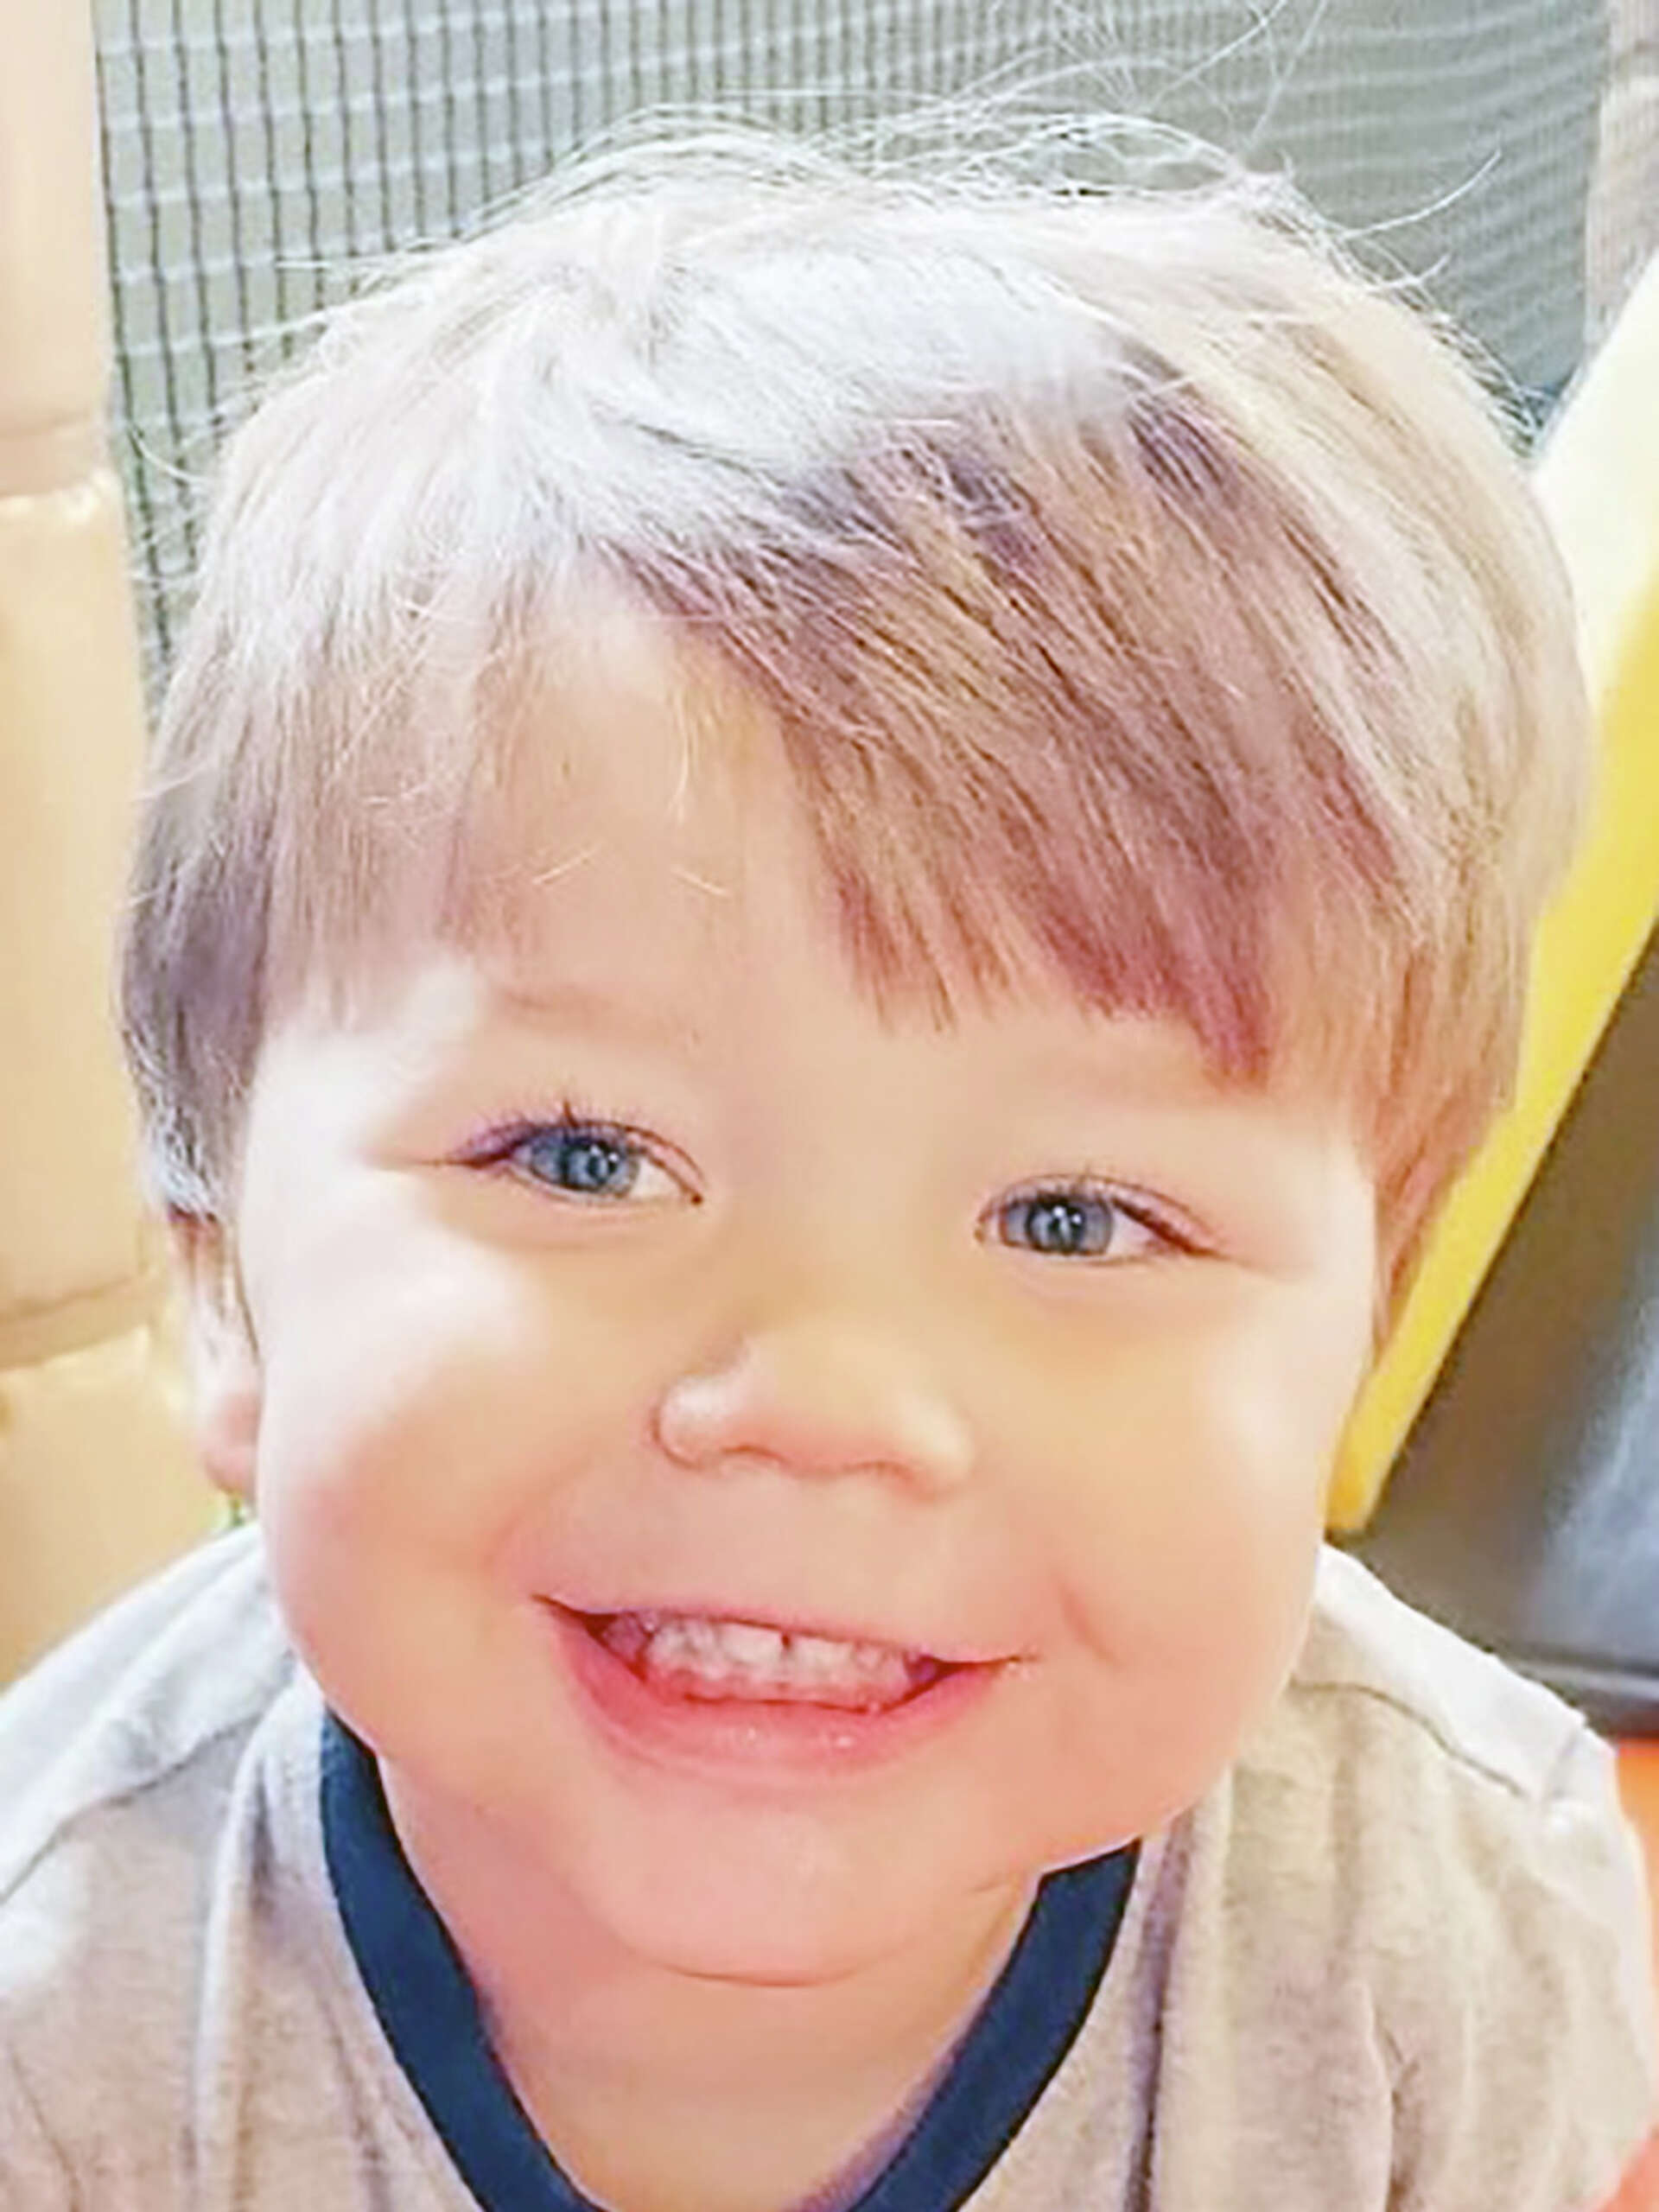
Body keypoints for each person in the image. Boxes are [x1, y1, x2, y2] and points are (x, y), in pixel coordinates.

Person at [0, 128, 1653, 2211]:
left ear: (1367, 1328)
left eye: (1073, 1217)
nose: (823, 1397)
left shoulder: (1447, 1927)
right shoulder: (69, 2010)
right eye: (587, 1156)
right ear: (227, 1286)